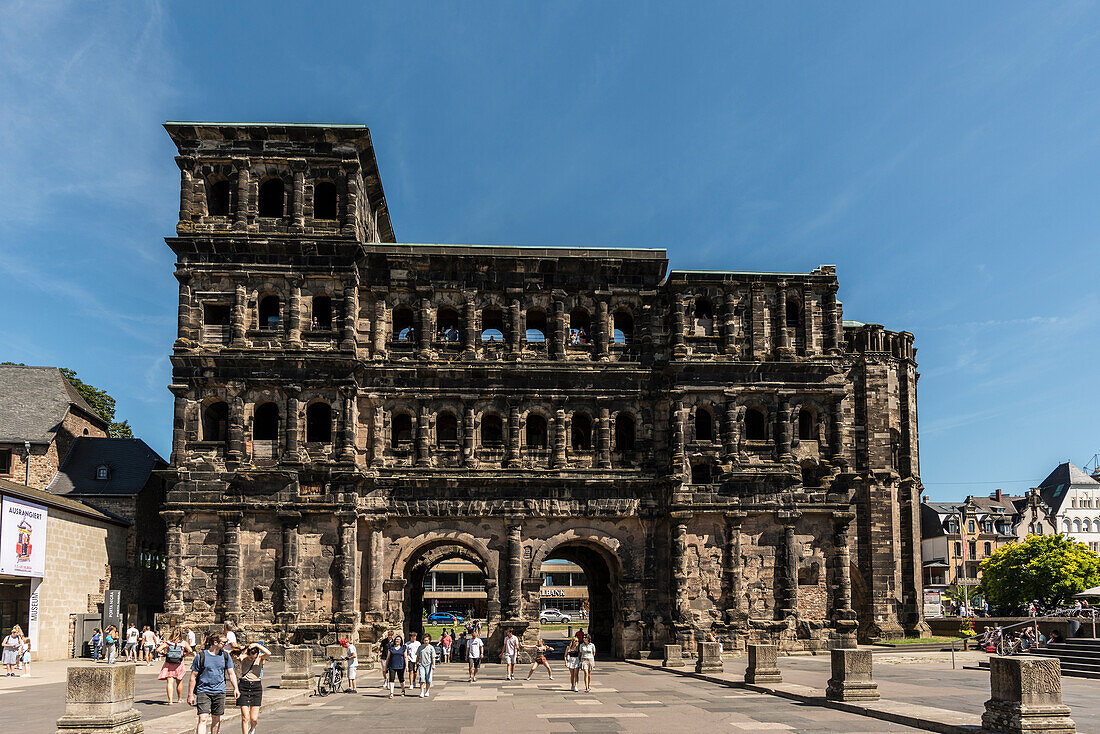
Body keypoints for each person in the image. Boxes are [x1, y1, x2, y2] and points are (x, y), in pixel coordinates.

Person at [187, 632, 240, 734]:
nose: (226, 644)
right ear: (215, 642)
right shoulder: (201, 656)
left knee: (216, 718)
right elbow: (193, 676)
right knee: (203, 718)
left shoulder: (225, 656)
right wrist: (190, 695)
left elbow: (231, 673)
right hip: (203, 690)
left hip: (219, 690)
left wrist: (236, 688)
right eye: (224, 642)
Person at [235, 642, 270, 734]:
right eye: (251, 657)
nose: (252, 659)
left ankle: (252, 729)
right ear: (248, 654)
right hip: (244, 686)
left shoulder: (260, 658)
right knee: (245, 717)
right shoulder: (243, 658)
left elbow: (268, 653)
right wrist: (246, 648)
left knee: (254, 719)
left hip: (256, 687)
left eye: (254, 656)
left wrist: (257, 645)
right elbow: (235, 654)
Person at [157, 628, 192, 704]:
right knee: (179, 681)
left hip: (169, 663)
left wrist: (164, 654)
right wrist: (184, 655)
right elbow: (190, 650)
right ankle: (179, 699)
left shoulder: (168, 643)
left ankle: (170, 701)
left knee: (170, 682)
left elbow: (158, 649)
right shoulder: (183, 642)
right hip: (179, 663)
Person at [384, 634, 408, 699]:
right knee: (391, 679)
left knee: (401, 679)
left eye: (399, 640)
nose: (397, 641)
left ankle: (403, 690)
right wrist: (385, 667)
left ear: (401, 641)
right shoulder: (391, 648)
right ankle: (391, 693)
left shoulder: (403, 647)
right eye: (396, 639)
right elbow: (388, 658)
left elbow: (405, 657)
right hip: (392, 665)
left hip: (401, 665)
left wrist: (406, 666)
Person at [417, 632, 436, 698]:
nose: (426, 641)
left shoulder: (431, 648)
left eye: (427, 640)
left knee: (428, 679)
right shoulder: (420, 647)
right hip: (421, 664)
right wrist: (416, 663)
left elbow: (433, 657)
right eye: (425, 640)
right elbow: (418, 656)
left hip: (429, 664)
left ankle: (427, 691)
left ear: (429, 640)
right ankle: (422, 691)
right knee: (422, 678)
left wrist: (433, 665)